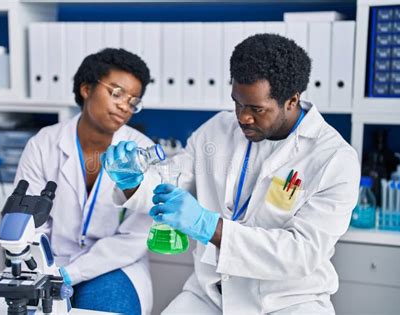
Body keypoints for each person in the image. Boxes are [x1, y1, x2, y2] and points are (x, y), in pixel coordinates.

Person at [103, 34, 361, 314]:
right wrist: (133, 181)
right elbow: (173, 181)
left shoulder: (334, 158)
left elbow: (301, 254)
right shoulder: (218, 129)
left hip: (287, 303)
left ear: (292, 100)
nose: (243, 117)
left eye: (256, 109)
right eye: (238, 103)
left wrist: (208, 226)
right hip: (210, 297)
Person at [15, 48, 154, 315]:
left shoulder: (141, 151)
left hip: (113, 265)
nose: (125, 106)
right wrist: (45, 270)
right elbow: (29, 223)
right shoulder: (44, 144)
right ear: (86, 88)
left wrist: (74, 273)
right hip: (49, 261)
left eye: (133, 101)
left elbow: (136, 236)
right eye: (116, 93)